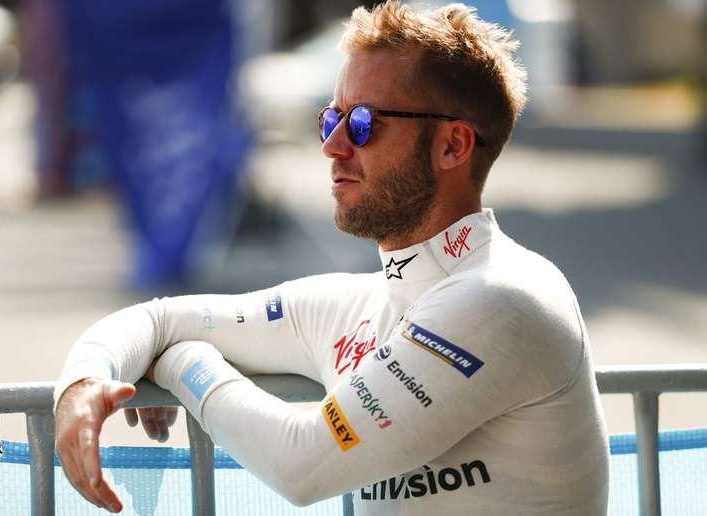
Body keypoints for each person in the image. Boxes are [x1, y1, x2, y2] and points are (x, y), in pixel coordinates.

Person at [53, 2, 610, 514]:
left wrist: (179, 364)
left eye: (365, 122)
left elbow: (302, 463)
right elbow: (155, 318)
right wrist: (80, 386)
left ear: (453, 146)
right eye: (330, 118)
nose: (333, 145)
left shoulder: (503, 296)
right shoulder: (365, 302)